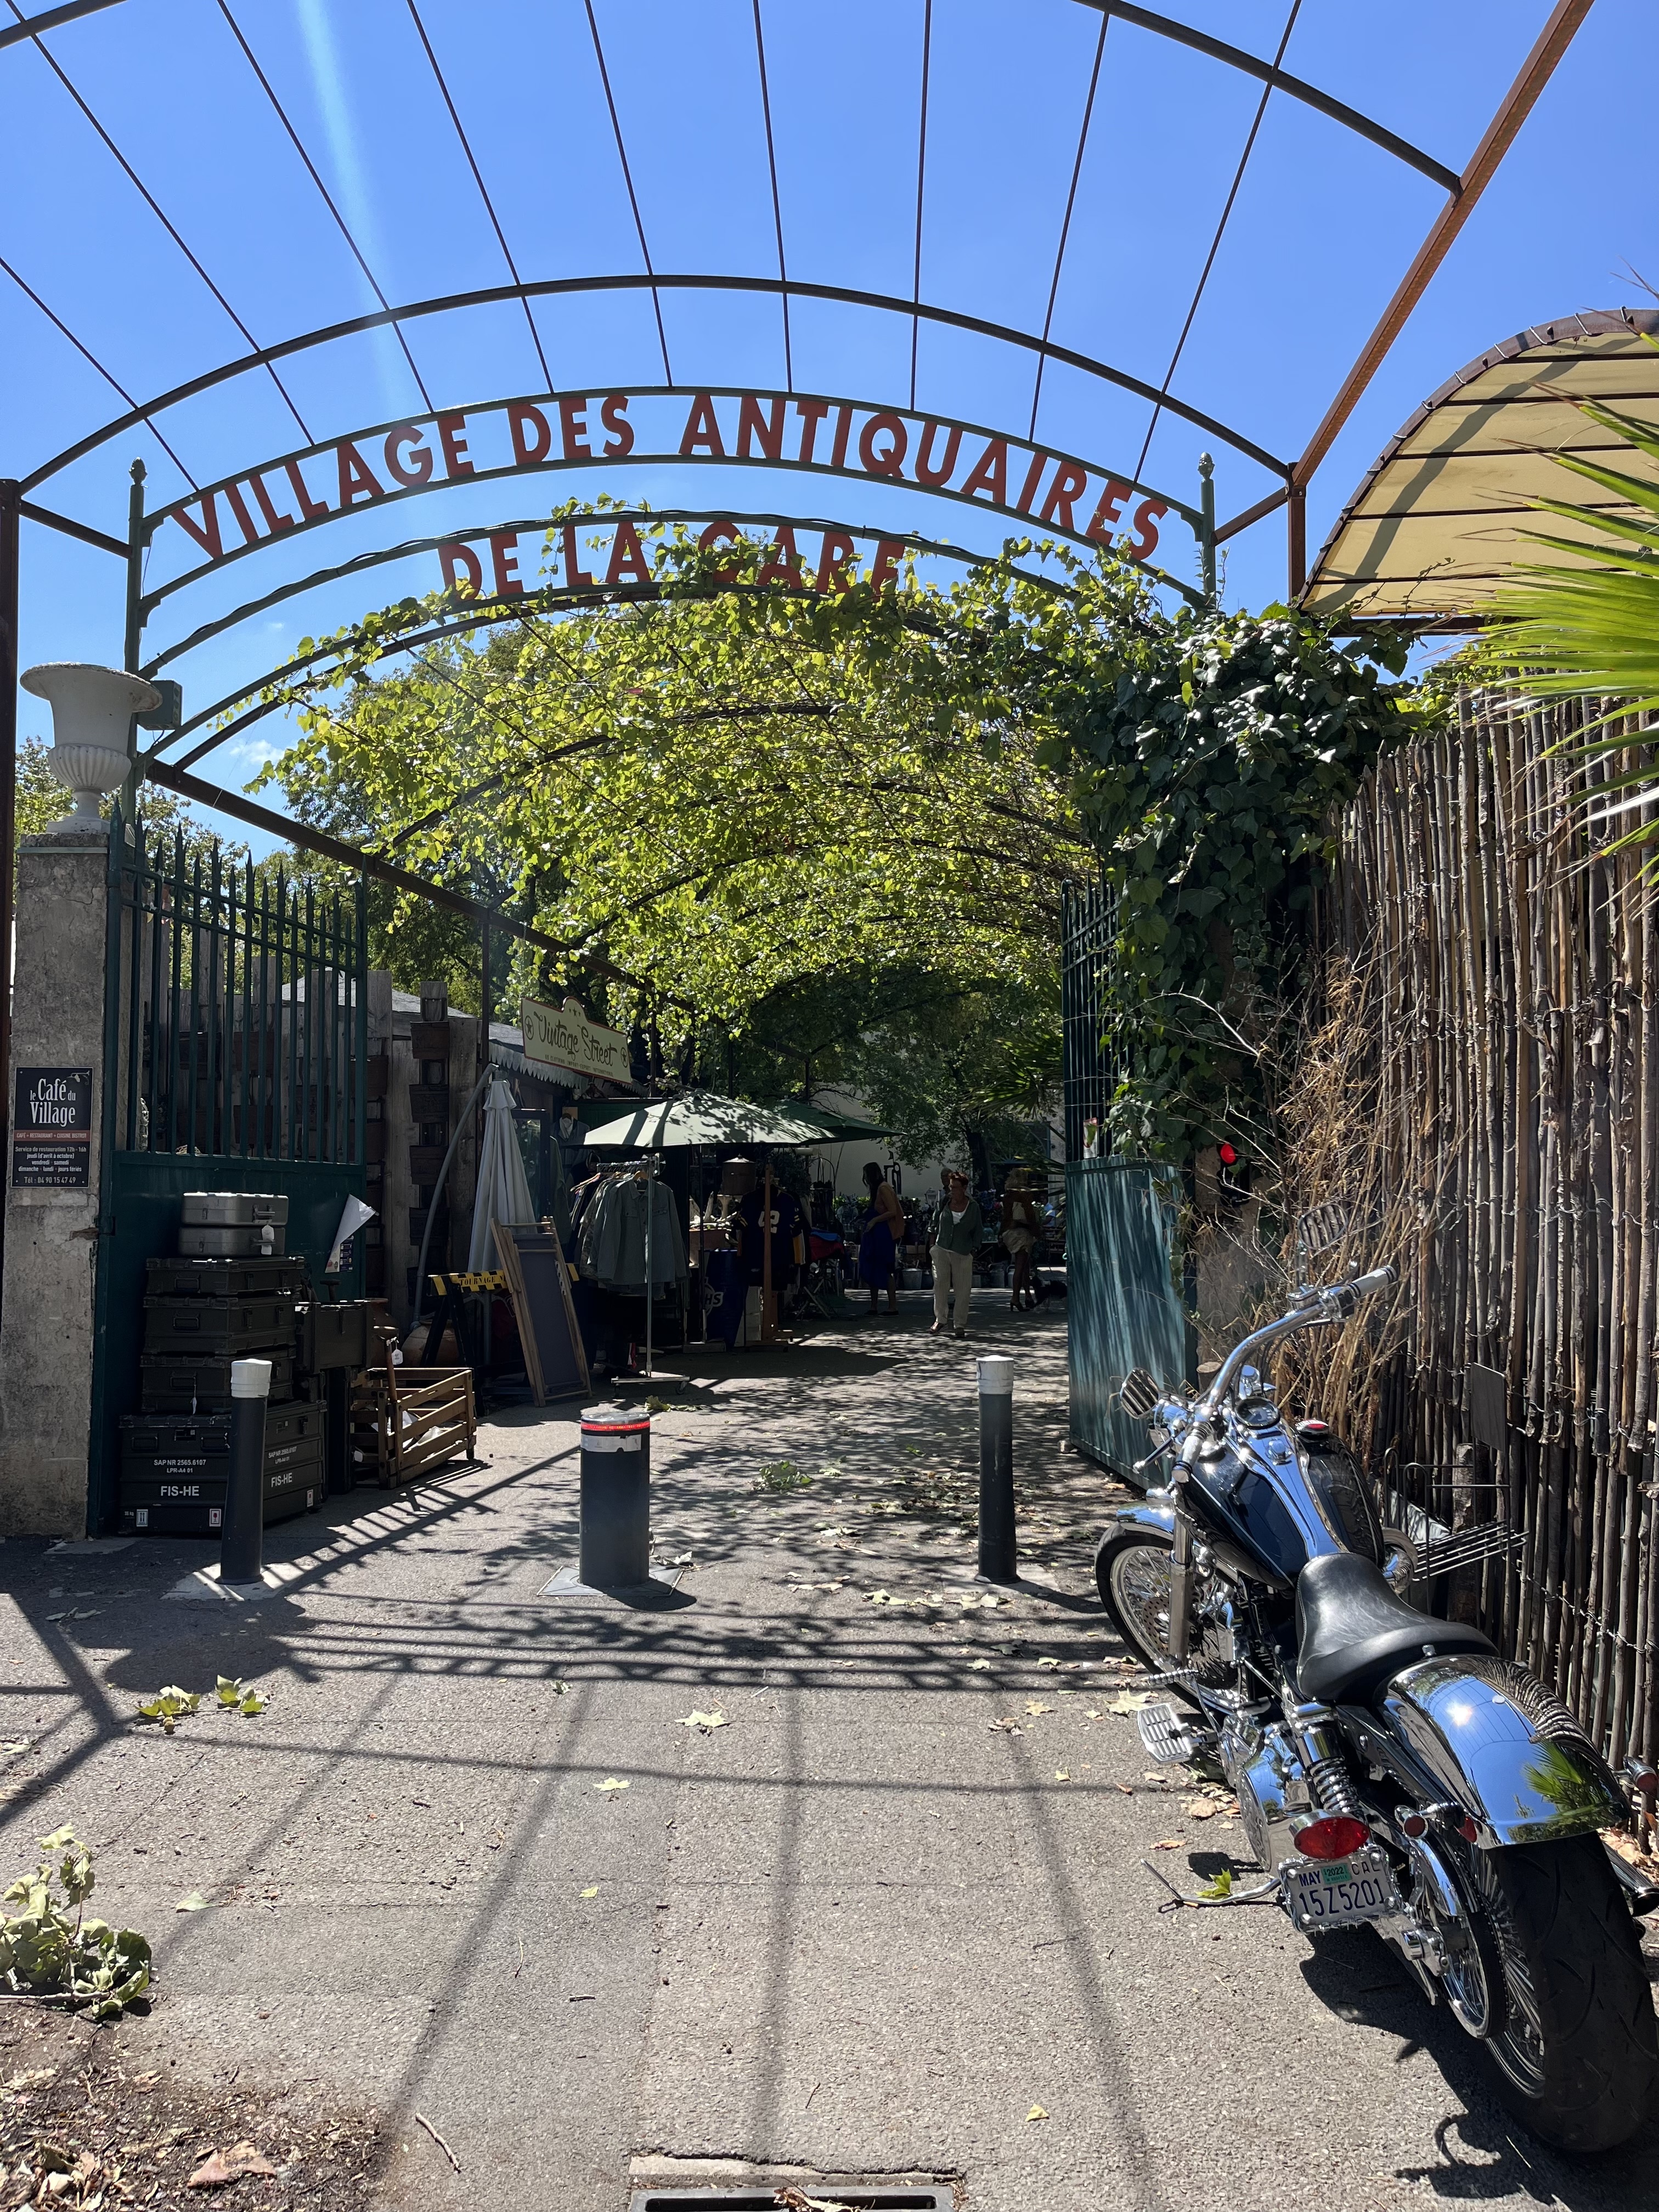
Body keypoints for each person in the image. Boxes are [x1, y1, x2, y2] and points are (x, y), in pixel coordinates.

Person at [931, 1169, 982, 1339]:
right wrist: (931, 1246)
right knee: (940, 1286)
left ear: (964, 1188)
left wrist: (974, 1250)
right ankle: (940, 1320)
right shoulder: (945, 1201)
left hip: (962, 1252)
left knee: (963, 1291)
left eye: (955, 1187)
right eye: (951, 1187)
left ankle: (959, 1324)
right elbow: (934, 1221)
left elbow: (978, 1230)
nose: (952, 1190)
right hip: (942, 1249)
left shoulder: (973, 1207)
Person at [857, 1160, 904, 1317]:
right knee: (872, 1266)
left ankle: (893, 1306)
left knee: (885, 1268)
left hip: (883, 1233)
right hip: (875, 1233)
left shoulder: (884, 1188)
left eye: (866, 1175)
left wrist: (874, 1220)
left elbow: (893, 1211)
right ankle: (873, 1306)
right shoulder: (877, 1189)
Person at [1001, 1169, 1041, 1312]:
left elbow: (1005, 1217)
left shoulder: (1008, 1195)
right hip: (1022, 1233)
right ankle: (1016, 1298)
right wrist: (1037, 1231)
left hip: (1009, 1233)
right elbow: (1030, 1215)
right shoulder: (1024, 1194)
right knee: (1021, 1266)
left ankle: (1027, 1295)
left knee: (1024, 1265)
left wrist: (1001, 1234)